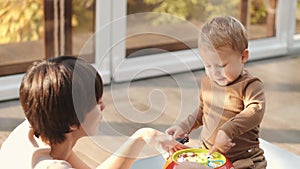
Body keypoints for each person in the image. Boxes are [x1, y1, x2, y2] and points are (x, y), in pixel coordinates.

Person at [0, 56, 185, 169]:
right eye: (97, 103)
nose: (103, 107)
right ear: (73, 122)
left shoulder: (38, 128)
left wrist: (143, 136)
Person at [166, 16, 267, 169]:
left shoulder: (250, 85)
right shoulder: (208, 81)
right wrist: (184, 126)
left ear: (243, 56)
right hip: (210, 157)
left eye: (221, 66)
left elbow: (255, 112)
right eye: (208, 65)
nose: (214, 73)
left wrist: (227, 131)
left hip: (243, 160)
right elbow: (203, 110)